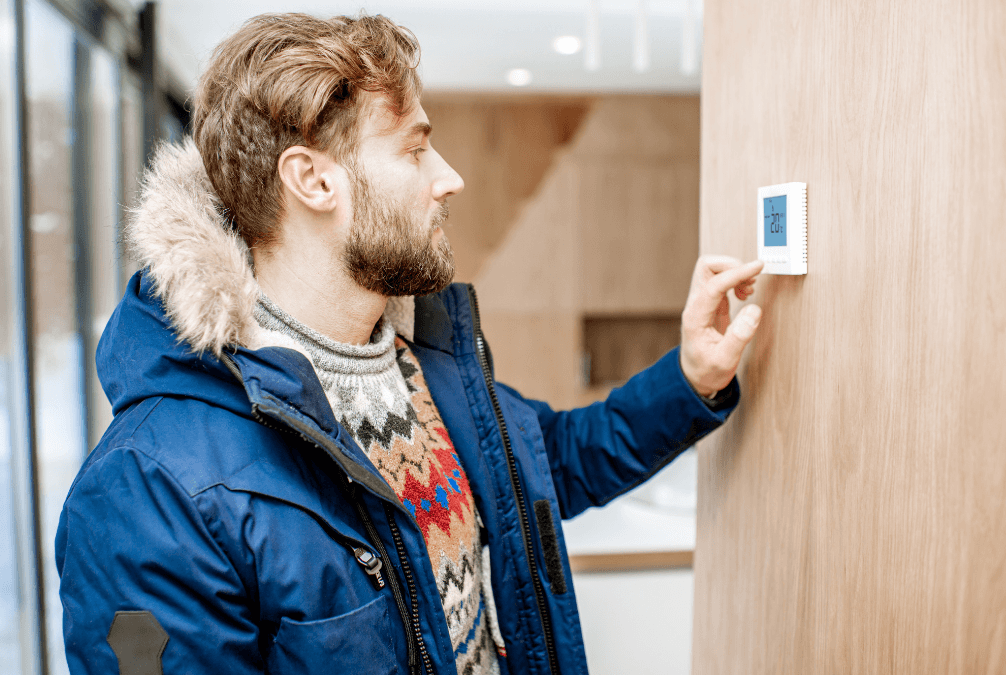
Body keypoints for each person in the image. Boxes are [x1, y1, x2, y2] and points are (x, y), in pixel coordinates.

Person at [55, 12, 764, 675]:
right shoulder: (146, 488)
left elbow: (553, 465)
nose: (448, 178)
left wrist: (693, 376)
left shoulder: (424, 359)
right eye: (416, 149)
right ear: (312, 179)